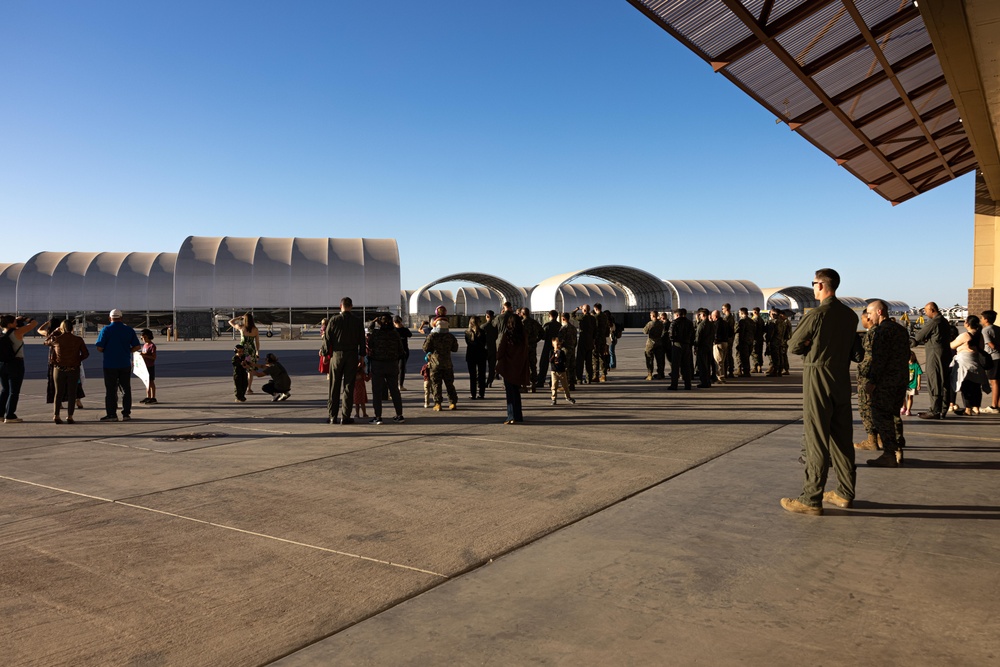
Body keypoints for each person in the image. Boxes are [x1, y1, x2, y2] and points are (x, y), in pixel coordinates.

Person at [781, 269, 859, 515]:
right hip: (842, 378)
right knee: (842, 437)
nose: (813, 287)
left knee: (816, 437)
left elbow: (793, 345)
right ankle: (845, 492)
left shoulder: (817, 314)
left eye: (814, 283)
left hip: (818, 375)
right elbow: (857, 352)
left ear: (822, 285)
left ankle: (811, 497)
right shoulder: (849, 315)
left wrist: (809, 347)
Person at [861, 300, 911, 468]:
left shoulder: (881, 332)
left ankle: (889, 454)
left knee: (882, 416)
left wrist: (872, 381)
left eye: (870, 313)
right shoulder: (901, 330)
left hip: (885, 382)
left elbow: (879, 360)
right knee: (895, 415)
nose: (868, 316)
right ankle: (898, 451)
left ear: (880, 312)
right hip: (900, 379)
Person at [321, 297, 366, 425]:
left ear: (340, 306)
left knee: (334, 386)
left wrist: (325, 354)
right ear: (351, 306)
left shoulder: (334, 320)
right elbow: (362, 340)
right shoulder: (357, 321)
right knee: (348, 386)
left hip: (337, 355)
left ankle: (332, 416)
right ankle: (345, 416)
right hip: (352, 355)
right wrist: (362, 356)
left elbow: (327, 338)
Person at [95, 309, 141, 422]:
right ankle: (126, 414)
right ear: (121, 318)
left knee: (111, 390)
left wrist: (108, 350)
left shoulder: (106, 330)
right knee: (126, 389)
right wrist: (128, 350)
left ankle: (111, 414)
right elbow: (137, 346)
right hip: (124, 363)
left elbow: (99, 347)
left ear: (110, 318)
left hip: (110, 364)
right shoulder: (128, 330)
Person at [913, 302, 955, 419]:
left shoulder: (934, 322)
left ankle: (934, 410)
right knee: (944, 381)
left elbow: (918, 337)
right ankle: (943, 409)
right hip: (945, 354)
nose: (925, 314)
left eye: (926, 311)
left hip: (935, 355)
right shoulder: (944, 321)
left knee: (934, 381)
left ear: (932, 310)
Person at [43, 319, 88, 424]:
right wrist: (77, 360)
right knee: (72, 393)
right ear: (72, 328)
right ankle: (70, 416)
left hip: (59, 368)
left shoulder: (56, 339)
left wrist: (53, 333)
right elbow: (85, 354)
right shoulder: (78, 340)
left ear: (61, 328)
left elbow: (45, 343)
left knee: (58, 393)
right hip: (73, 368)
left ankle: (56, 415)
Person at [367, 315, 404, 424]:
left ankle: (378, 417)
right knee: (394, 391)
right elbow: (401, 351)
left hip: (378, 364)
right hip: (392, 364)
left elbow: (369, 343)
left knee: (377, 391)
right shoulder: (395, 334)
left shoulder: (376, 334)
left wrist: (374, 322)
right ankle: (399, 415)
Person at [949, 315, 988, 416]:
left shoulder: (965, 335)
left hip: (964, 363)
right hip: (976, 362)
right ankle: (976, 408)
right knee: (976, 386)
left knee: (965, 387)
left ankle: (968, 409)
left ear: (968, 324)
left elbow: (952, 345)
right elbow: (982, 348)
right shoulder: (980, 335)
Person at [496, 313, 529, 424]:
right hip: (519, 366)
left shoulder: (507, 335)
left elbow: (501, 350)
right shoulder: (523, 335)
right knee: (516, 392)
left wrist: (498, 359)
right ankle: (518, 415)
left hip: (508, 366)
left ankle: (511, 416)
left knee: (510, 393)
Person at [423, 317, 459, 411]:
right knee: (449, 384)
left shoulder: (432, 336)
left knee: (436, 384)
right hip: (447, 364)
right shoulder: (450, 336)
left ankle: (438, 404)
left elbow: (425, 348)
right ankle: (452, 403)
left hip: (435, 364)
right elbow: (455, 349)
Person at [229, 313, 260, 394]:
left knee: (241, 369)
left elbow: (230, 322)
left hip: (241, 351)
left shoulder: (241, 327)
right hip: (251, 351)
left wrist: (238, 317)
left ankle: (240, 387)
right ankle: (249, 388)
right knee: (250, 370)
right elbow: (257, 342)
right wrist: (257, 352)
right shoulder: (255, 329)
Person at [668, 308, 694, 390]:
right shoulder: (690, 323)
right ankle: (688, 384)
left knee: (675, 366)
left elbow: (671, 334)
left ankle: (674, 384)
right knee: (686, 365)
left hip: (677, 344)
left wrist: (673, 340)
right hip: (687, 345)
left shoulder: (674, 323)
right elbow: (693, 334)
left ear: (677, 315)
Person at [980, 310, 1000, 412]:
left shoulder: (985, 330)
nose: (981, 320)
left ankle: (994, 406)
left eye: (982, 318)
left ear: (986, 319)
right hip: (998, 357)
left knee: (994, 381)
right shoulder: (997, 328)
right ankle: (998, 404)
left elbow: (990, 344)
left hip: (993, 358)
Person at [536, 310, 561, 388]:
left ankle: (541, 381)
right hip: (556, 347)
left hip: (547, 346)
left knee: (543, 364)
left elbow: (543, 336)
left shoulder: (547, 325)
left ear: (550, 316)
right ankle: (552, 382)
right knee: (555, 365)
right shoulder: (559, 325)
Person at [520, 307, 544, 391]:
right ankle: (533, 384)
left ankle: (524, 386)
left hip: (524, 347)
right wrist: (536, 340)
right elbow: (542, 333)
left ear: (522, 314)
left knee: (524, 366)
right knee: (533, 365)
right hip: (533, 346)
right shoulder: (535, 322)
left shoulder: (522, 323)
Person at [465, 315, 488, 400]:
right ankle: (481, 394)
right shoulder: (483, 332)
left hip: (471, 355)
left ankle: (473, 394)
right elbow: (485, 343)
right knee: (481, 375)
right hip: (481, 354)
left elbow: (468, 343)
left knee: (472, 376)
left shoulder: (467, 332)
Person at [572, 304, 597, 384]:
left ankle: (579, 378)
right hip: (590, 341)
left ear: (584, 310)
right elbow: (595, 330)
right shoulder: (593, 318)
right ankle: (589, 378)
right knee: (589, 361)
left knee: (580, 361)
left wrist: (577, 309)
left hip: (583, 341)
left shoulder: (582, 317)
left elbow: (572, 316)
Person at [549, 336, 575, 406]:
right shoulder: (551, 352)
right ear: (553, 345)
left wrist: (559, 358)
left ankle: (568, 397)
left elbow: (564, 360)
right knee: (554, 386)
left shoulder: (562, 352)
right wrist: (554, 355)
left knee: (565, 385)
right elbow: (550, 361)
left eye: (559, 344)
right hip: (554, 371)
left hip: (562, 371)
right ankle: (553, 398)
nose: (558, 346)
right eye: (556, 345)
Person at [693, 309, 714, 388]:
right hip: (709, 346)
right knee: (708, 365)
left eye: (700, 315)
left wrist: (696, 347)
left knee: (702, 366)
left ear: (703, 315)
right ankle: (708, 381)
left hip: (702, 347)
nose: (699, 316)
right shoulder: (711, 324)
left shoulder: (701, 325)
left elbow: (698, 337)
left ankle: (704, 382)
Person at [557, 313, 578, 391]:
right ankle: (572, 384)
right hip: (572, 349)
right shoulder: (573, 328)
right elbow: (575, 340)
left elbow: (560, 341)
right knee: (572, 367)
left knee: (565, 367)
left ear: (563, 319)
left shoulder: (563, 329)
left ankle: (566, 385)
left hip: (565, 350)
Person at [592, 303, 612, 382]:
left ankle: (596, 375)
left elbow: (594, 328)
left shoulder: (596, 317)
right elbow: (607, 328)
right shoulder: (605, 316)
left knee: (595, 358)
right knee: (602, 356)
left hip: (596, 339)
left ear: (595, 308)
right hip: (603, 339)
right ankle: (604, 374)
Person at [642, 310, 664, 381]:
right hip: (659, 343)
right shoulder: (661, 323)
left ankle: (650, 374)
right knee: (660, 360)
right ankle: (660, 374)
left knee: (649, 359)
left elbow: (644, 331)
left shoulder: (650, 323)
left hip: (651, 343)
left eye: (650, 315)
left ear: (653, 315)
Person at [393, 316, 412, 391]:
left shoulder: (393, 330)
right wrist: (403, 327)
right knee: (402, 368)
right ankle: (400, 385)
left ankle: (395, 384)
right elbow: (410, 334)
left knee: (395, 369)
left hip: (395, 351)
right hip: (404, 351)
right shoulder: (404, 330)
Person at [710, 310, 730, 384]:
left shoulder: (716, 324)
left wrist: (714, 340)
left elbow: (716, 333)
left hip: (718, 343)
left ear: (715, 316)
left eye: (712, 316)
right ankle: (722, 376)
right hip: (725, 342)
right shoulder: (725, 323)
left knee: (718, 361)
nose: (711, 317)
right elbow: (730, 332)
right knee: (722, 361)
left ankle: (720, 378)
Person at [139, 329, 157, 404]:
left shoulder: (152, 346)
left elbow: (154, 357)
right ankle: (148, 396)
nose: (143, 339)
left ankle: (153, 397)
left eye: (144, 337)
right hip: (144, 366)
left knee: (151, 381)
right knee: (146, 382)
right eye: (142, 338)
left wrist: (145, 355)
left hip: (150, 366)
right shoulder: (145, 345)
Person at [734, 308, 754, 377]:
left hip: (744, 341)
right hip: (750, 341)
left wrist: (739, 342)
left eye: (739, 313)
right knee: (747, 356)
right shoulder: (751, 321)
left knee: (744, 357)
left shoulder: (742, 321)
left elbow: (741, 332)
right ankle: (746, 370)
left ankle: (746, 372)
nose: (739, 314)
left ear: (742, 313)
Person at [482, 310, 499, 388]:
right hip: (493, 348)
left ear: (487, 316)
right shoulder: (496, 327)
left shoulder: (483, 327)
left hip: (484, 348)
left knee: (482, 366)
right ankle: (490, 382)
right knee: (492, 367)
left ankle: (482, 382)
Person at [904, 350, 923, 416]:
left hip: (912, 384)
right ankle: (904, 407)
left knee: (910, 397)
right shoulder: (904, 365)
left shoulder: (916, 365)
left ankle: (908, 410)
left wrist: (918, 384)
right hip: (905, 384)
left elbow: (919, 375)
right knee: (902, 397)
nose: (909, 362)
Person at [721, 303, 736, 378]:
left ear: (726, 309)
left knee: (727, 355)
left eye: (723, 308)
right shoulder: (731, 317)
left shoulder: (727, 318)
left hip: (728, 338)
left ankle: (729, 371)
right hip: (730, 337)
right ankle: (730, 370)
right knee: (729, 354)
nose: (722, 310)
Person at [751, 307, 765, 373]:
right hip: (760, 338)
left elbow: (753, 330)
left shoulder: (754, 320)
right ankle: (760, 366)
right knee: (759, 353)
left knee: (754, 353)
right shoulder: (761, 320)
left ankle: (755, 366)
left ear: (755, 312)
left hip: (755, 339)